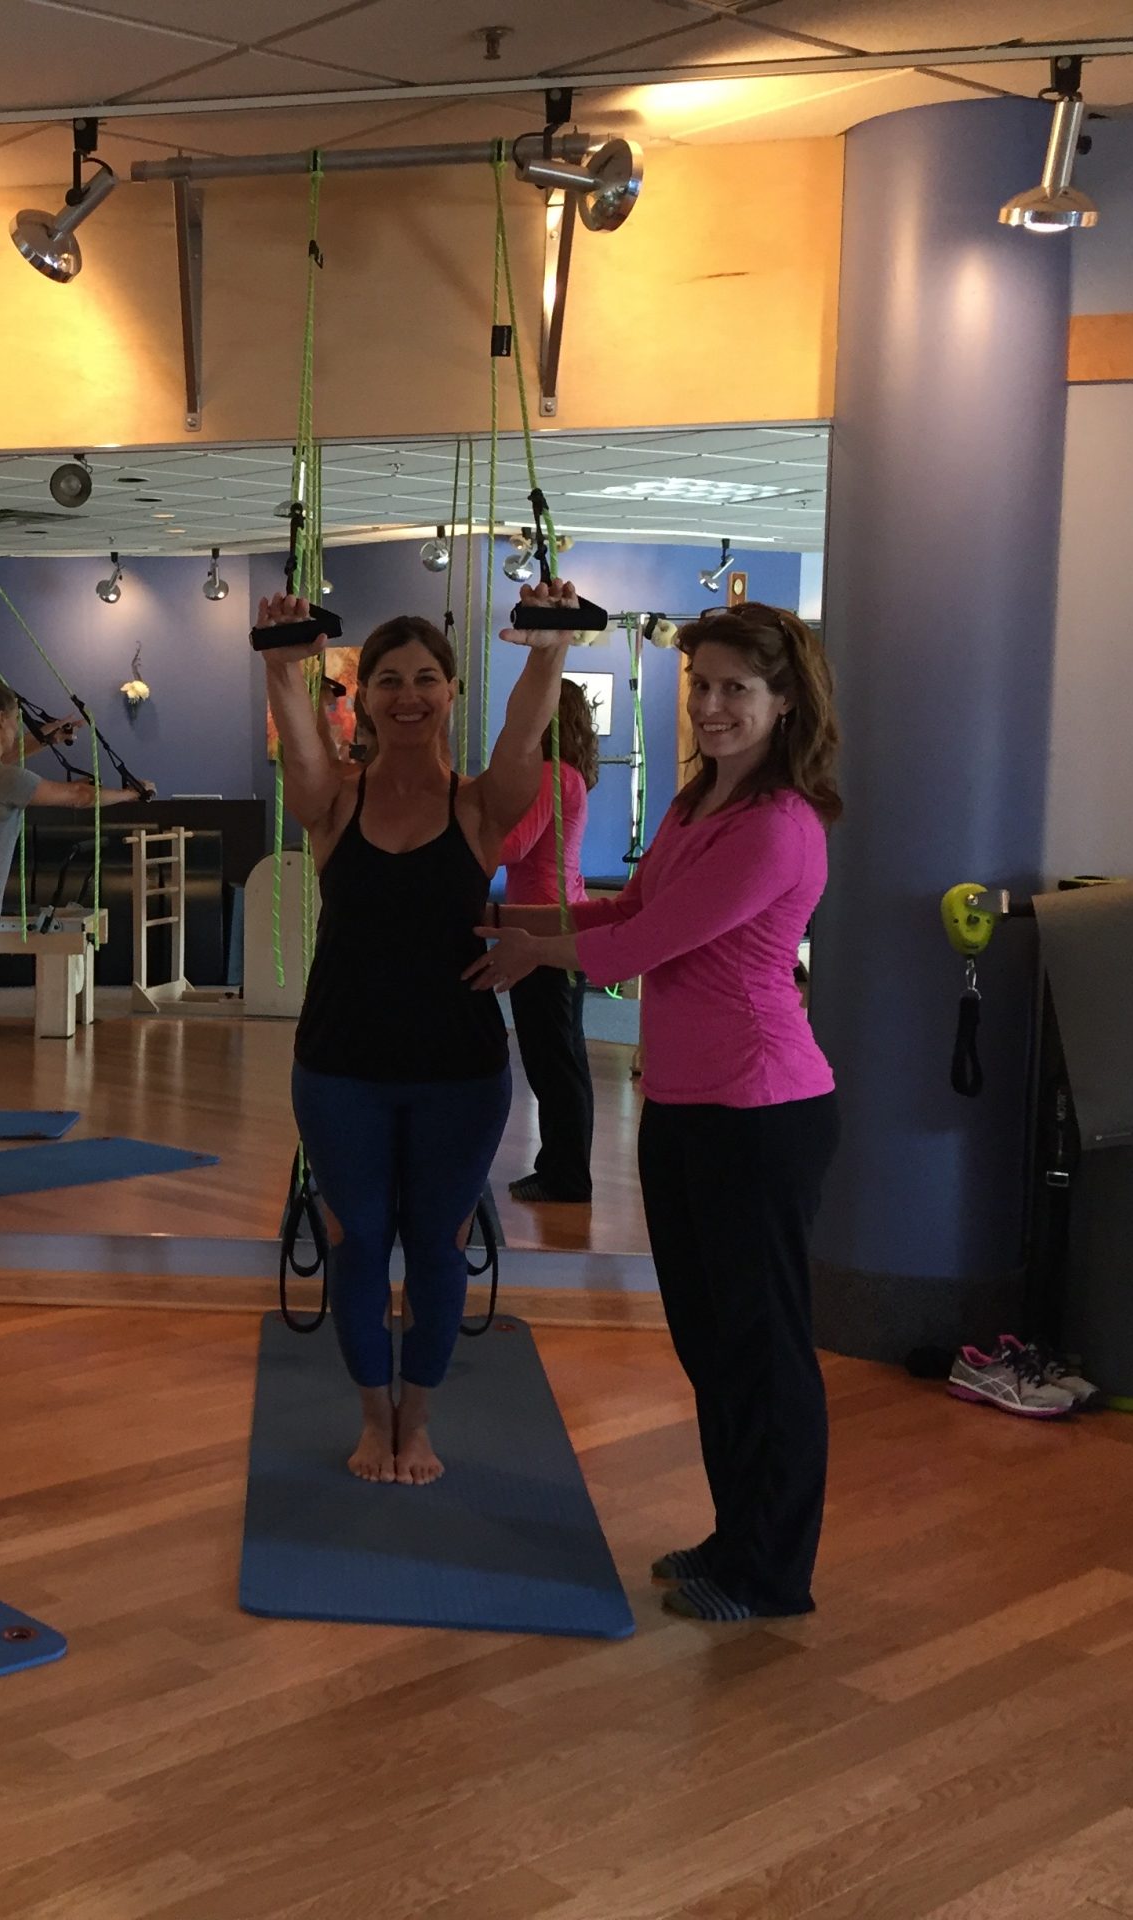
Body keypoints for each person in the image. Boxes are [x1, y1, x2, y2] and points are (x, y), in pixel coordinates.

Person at [469, 603, 840, 1621]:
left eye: (735, 689)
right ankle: (735, 1537)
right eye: (701, 684)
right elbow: (624, 911)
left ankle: (771, 1574)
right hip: (683, 1105)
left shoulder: (777, 826)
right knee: (709, 1342)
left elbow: (638, 952)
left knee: (760, 1347)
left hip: (760, 1110)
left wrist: (524, 946)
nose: (712, 706)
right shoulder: (694, 805)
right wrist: (499, 916)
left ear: (782, 702)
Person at [266, 583, 575, 1487]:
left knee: (436, 1245)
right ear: (361, 697)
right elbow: (294, 730)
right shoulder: (333, 805)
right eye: (389, 680)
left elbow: (525, 734)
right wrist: (283, 659)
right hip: (339, 1067)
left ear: (450, 694)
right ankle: (374, 1419)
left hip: (460, 1071)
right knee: (360, 1242)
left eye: (427, 679)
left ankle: (420, 1422)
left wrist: (549, 645)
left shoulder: (481, 807)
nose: (408, 695)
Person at [0, 663, 147, 1129]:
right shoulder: (7, 781)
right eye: (15, 717)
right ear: (3, 719)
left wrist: (45, 736)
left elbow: (1, 763)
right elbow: (80, 797)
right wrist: (132, 794)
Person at [496, 680, 601, 1206]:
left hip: (544, 926)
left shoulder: (550, 774)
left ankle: (566, 1177)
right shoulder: (566, 774)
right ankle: (562, 1169)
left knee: (552, 1058)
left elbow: (511, 845)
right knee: (562, 1055)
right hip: (557, 919)